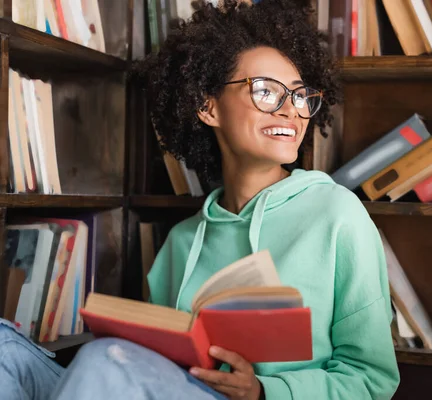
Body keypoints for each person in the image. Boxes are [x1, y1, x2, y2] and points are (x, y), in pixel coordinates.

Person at [0, 0, 400, 399]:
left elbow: (372, 379)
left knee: (102, 359)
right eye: (265, 92)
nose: (291, 112)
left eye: (300, 97)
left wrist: (264, 390)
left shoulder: (337, 215)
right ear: (208, 106)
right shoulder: (181, 242)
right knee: (4, 346)